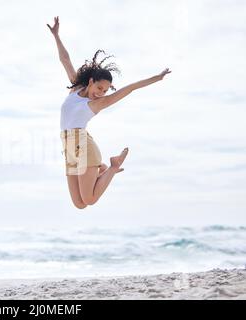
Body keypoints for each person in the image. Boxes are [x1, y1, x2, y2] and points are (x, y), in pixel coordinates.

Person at [47, 16, 171, 209]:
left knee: (89, 200)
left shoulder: (98, 104)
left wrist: (157, 78)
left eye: (105, 90)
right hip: (69, 147)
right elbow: (65, 59)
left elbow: (130, 88)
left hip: (82, 145)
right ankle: (102, 168)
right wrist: (56, 35)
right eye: (99, 87)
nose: (101, 93)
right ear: (90, 81)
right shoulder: (75, 87)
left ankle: (112, 166)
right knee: (79, 204)